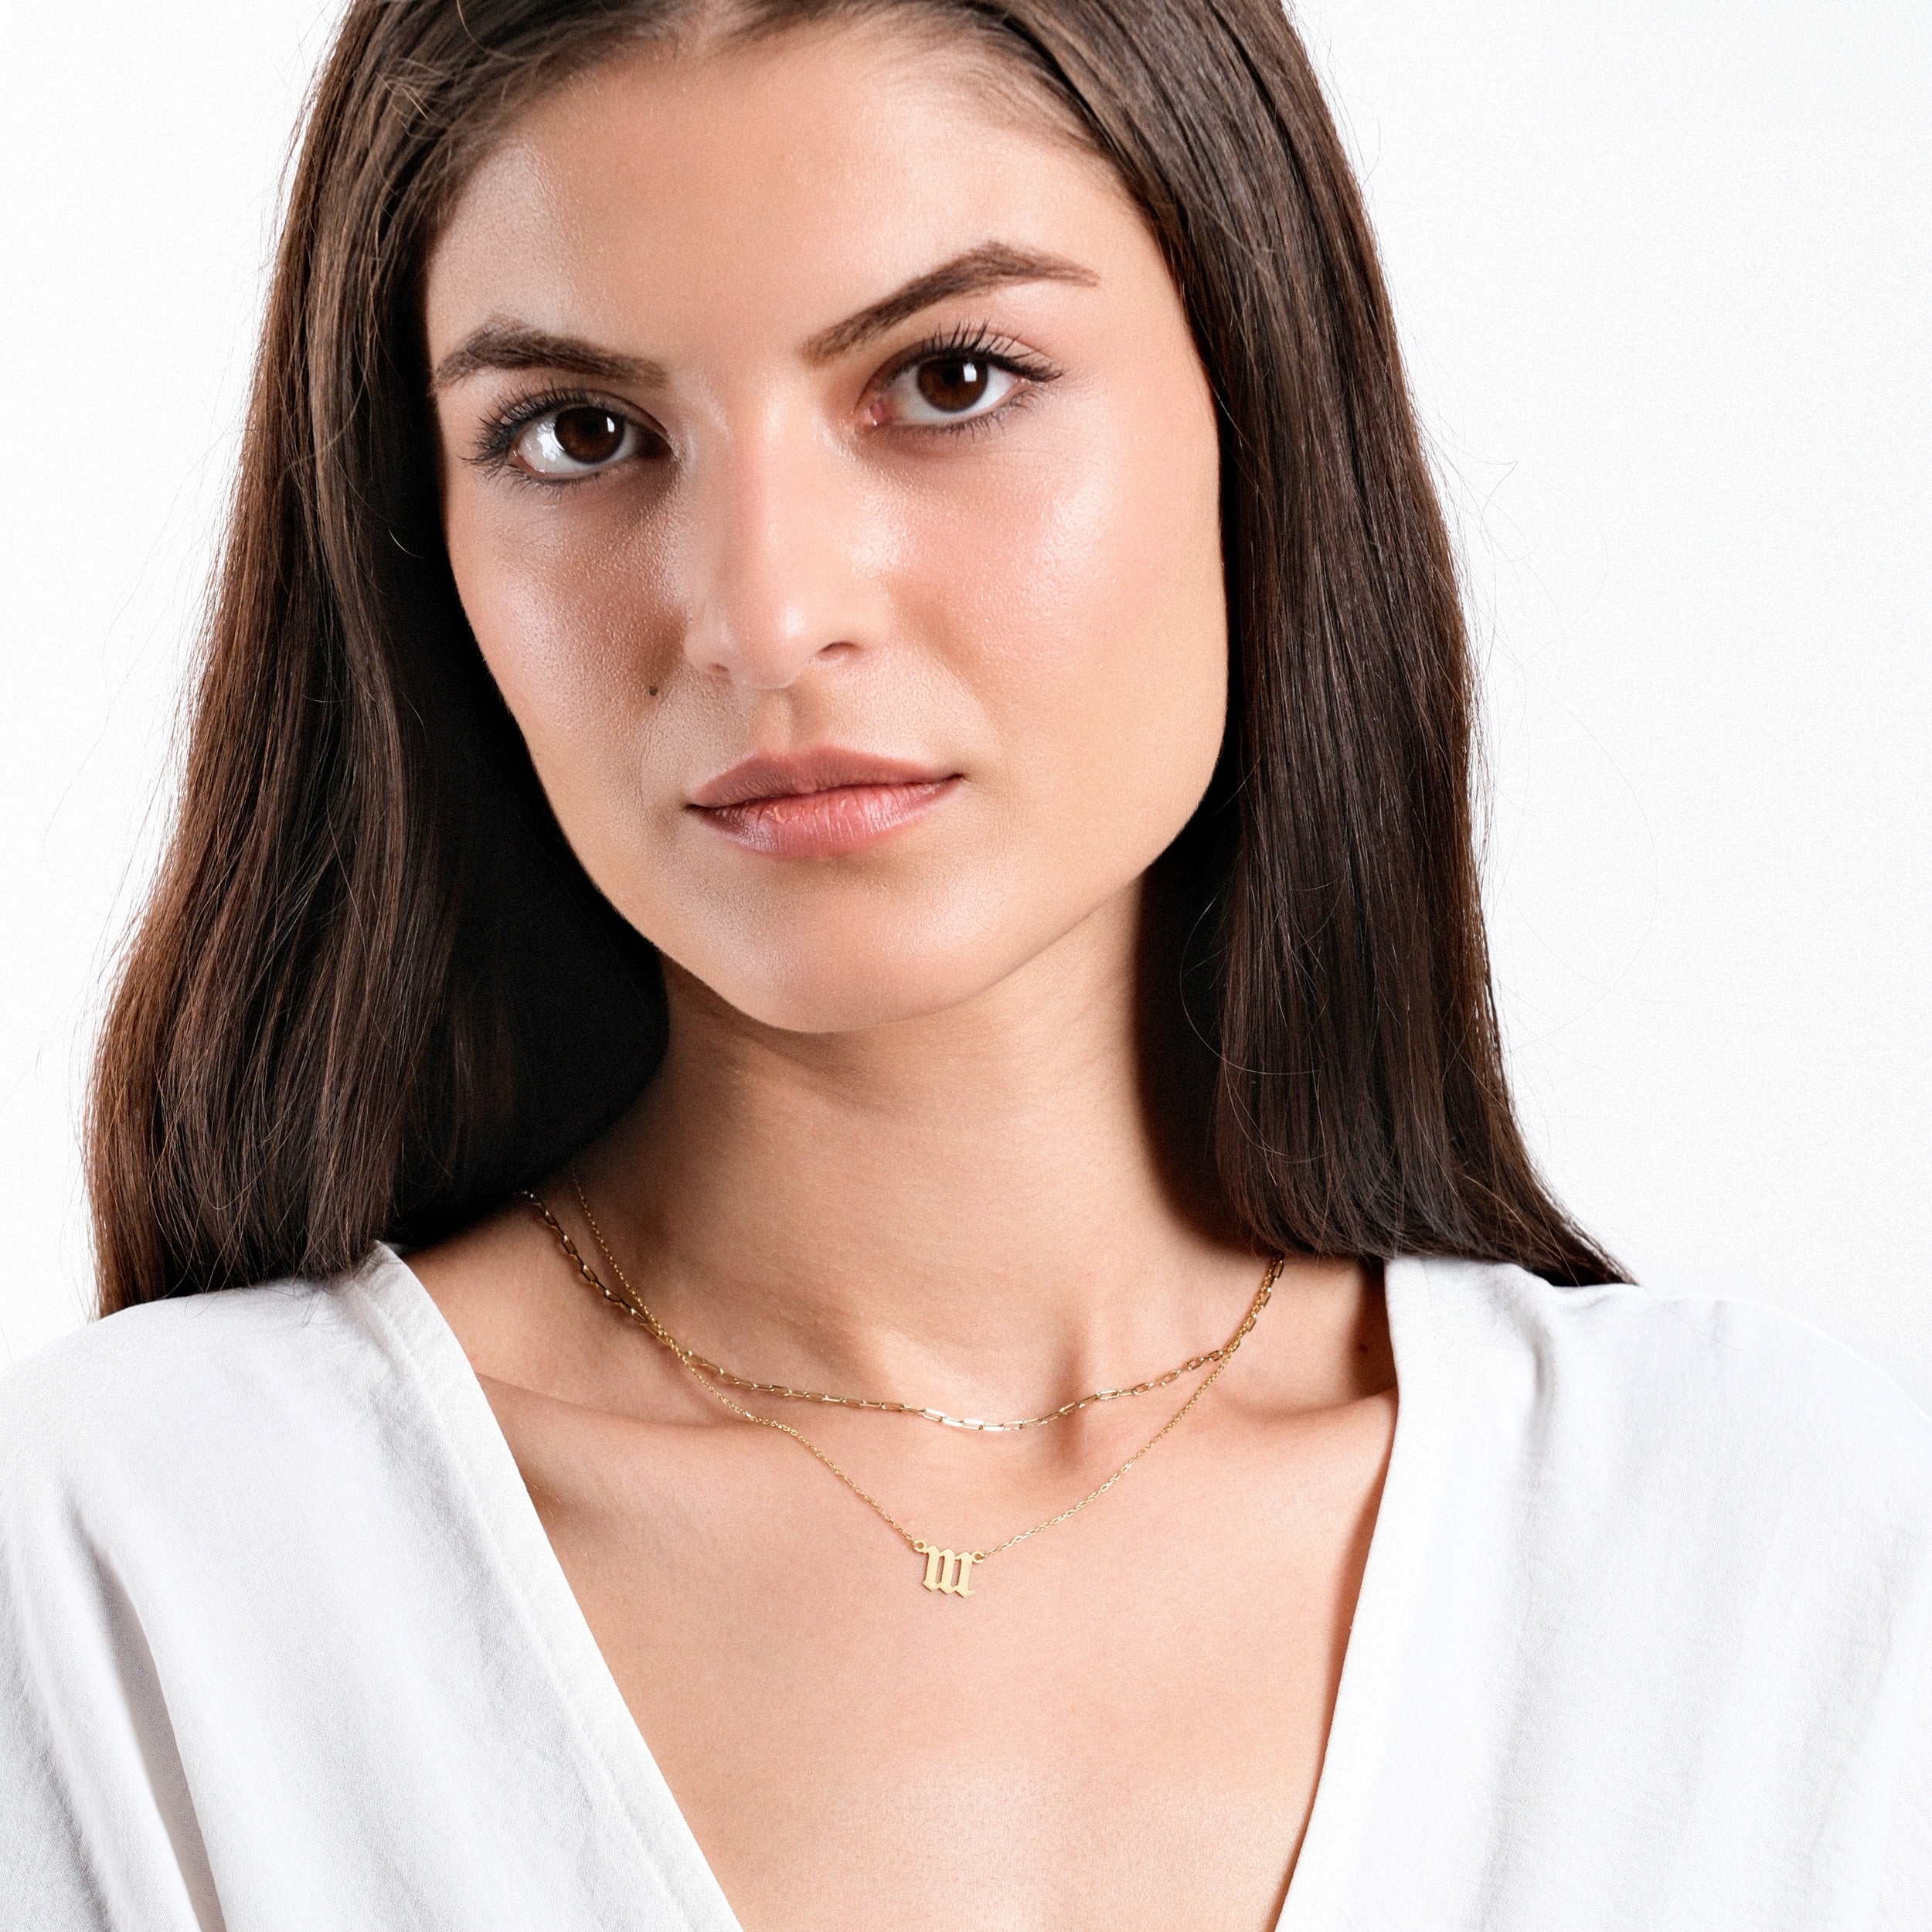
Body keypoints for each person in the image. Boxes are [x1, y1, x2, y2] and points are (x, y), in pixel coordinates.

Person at [2, 1, 1927, 1924]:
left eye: (946, 379)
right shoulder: (135, 1564)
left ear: (1259, 410)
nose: (763, 612)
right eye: (578, 433)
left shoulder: (1762, 1554)